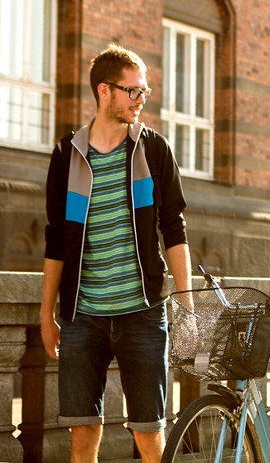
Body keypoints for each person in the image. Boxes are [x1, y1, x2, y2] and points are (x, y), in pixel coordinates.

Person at [40, 44, 193, 462]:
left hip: (142, 313)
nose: (141, 100)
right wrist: (46, 314)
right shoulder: (66, 156)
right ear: (104, 91)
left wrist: (187, 304)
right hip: (82, 317)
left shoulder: (153, 150)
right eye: (133, 91)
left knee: (148, 434)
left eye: (144, 92)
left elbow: (174, 228)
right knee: (83, 434)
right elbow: (56, 240)